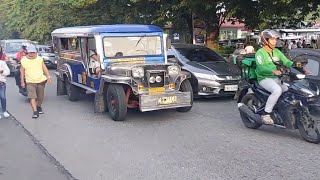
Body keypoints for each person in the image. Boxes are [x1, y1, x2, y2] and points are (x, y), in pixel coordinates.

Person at [255, 29, 295, 124]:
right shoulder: (260, 53)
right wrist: (273, 70)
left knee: (289, 89)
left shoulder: (277, 51)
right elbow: (261, 67)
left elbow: (286, 61)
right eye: (272, 39)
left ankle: (281, 109)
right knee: (277, 90)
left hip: (276, 78)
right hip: (264, 78)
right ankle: (266, 114)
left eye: (276, 39)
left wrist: (296, 65)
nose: (275, 41)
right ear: (266, 40)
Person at [20, 45, 52, 118]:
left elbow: (44, 68)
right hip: (30, 82)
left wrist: (48, 76)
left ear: (36, 52)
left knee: (40, 97)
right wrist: (22, 81)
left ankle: (38, 106)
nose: (32, 54)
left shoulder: (39, 59)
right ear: (27, 52)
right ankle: (35, 111)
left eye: (33, 52)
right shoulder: (23, 60)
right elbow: (22, 71)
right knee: (32, 97)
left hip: (40, 81)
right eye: (30, 52)